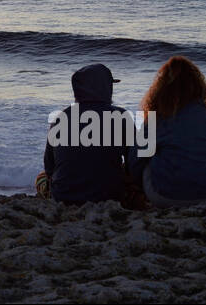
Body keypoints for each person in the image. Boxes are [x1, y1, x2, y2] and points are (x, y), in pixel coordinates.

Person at [39, 63, 136, 204]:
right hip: (109, 197)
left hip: (63, 197)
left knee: (41, 177)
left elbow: (49, 168)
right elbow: (133, 163)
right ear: (105, 88)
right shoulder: (121, 116)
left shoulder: (60, 118)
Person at [135, 56, 206, 207]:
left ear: (162, 88)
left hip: (166, 197)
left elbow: (137, 159)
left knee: (144, 155)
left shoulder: (159, 117)